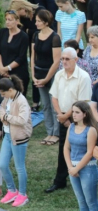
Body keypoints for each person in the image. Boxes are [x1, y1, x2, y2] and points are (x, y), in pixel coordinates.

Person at [46, 47, 92, 194]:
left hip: (79, 117)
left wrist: (66, 118)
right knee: (63, 149)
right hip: (62, 115)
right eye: (63, 59)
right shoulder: (59, 75)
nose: (64, 61)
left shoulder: (83, 77)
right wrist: (61, 116)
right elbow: (54, 97)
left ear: (76, 60)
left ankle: (82, 177)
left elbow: (82, 102)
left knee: (80, 148)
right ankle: (60, 181)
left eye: (67, 59)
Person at [63, 101, 98, 211]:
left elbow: (90, 152)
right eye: (73, 112)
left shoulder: (90, 130)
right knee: (81, 200)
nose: (74, 115)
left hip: (87, 169)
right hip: (73, 168)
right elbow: (66, 148)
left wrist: (76, 168)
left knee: (91, 200)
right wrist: (70, 167)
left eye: (77, 112)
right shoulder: (71, 127)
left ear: (85, 114)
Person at [0, 76, 32, 207]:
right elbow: (1, 108)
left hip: (19, 137)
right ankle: (12, 190)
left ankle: (23, 194)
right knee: (2, 164)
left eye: (3, 93)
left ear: (10, 89)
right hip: (8, 135)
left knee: (19, 167)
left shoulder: (21, 101)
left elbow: (22, 120)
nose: (2, 96)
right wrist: (4, 116)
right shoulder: (7, 98)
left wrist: (6, 117)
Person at [31, 9, 61, 147]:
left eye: (38, 21)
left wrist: (47, 78)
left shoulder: (55, 37)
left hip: (51, 74)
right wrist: (33, 75)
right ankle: (49, 131)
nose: (36, 23)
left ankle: (56, 133)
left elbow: (56, 61)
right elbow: (32, 56)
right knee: (45, 105)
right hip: (38, 73)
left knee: (54, 105)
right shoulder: (35, 35)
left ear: (46, 22)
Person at [0, 10, 30, 96]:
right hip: (2, 71)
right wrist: (1, 68)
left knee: (16, 100)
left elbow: (21, 57)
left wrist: (7, 69)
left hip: (18, 73)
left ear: (17, 21)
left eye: (10, 20)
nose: (7, 22)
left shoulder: (23, 36)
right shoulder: (2, 32)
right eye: (6, 19)